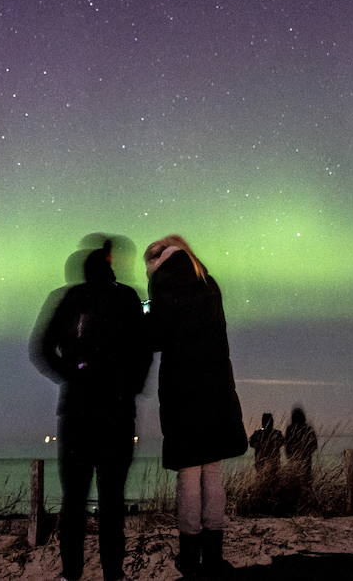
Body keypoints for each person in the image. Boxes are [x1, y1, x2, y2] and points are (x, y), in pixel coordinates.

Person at [32, 239, 153, 581]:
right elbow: (144, 349)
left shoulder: (68, 298)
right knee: (112, 500)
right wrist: (130, 385)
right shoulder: (126, 297)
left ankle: (73, 574)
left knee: (74, 500)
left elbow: (41, 349)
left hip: (78, 413)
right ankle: (112, 573)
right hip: (115, 412)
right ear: (110, 267)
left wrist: (72, 376)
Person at [145, 235, 247, 578]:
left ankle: (190, 555)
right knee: (213, 472)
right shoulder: (207, 281)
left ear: (156, 260)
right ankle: (214, 555)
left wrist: (145, 314)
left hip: (183, 390)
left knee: (189, 475)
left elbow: (158, 336)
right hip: (216, 389)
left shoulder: (163, 281)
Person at [283, 407, 317, 483]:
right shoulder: (308, 428)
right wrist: (307, 453)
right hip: (306, 460)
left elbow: (287, 444)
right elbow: (314, 445)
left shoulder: (290, 429)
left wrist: (289, 455)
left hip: (294, 459)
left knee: (294, 480)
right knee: (306, 480)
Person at [248, 413, 284, 478]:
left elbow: (251, 443)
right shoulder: (276, 433)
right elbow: (251, 443)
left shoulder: (258, 434)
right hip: (270, 462)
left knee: (262, 477)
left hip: (263, 462)